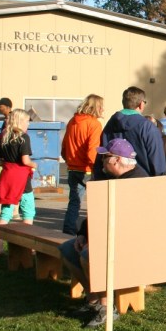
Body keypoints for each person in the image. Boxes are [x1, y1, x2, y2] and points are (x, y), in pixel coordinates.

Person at [59, 138, 148, 329]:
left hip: (131, 245)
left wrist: (95, 241)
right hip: (110, 237)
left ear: (116, 160)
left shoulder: (136, 183)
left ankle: (107, 308)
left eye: (104, 157)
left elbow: (131, 225)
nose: (101, 162)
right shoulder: (114, 179)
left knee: (87, 255)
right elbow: (99, 213)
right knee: (67, 249)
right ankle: (93, 300)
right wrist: (83, 234)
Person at [0, 109, 38, 255]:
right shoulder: (24, 137)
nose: (28, 125)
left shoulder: (4, 137)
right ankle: (27, 247)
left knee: (5, 213)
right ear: (20, 121)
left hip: (7, 176)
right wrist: (34, 165)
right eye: (26, 121)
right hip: (21, 179)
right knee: (28, 212)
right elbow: (25, 160)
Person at [98, 86, 166, 178]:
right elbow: (158, 164)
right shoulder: (147, 127)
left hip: (114, 183)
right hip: (142, 183)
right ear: (141, 104)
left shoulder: (110, 125)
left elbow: (103, 156)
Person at [60, 94, 104, 234]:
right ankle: (93, 232)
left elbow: (65, 145)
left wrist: (69, 159)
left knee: (74, 202)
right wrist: (96, 168)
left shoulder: (73, 121)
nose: (103, 110)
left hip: (73, 168)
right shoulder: (94, 124)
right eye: (102, 107)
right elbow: (93, 151)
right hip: (87, 169)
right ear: (97, 107)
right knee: (96, 203)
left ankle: (69, 229)